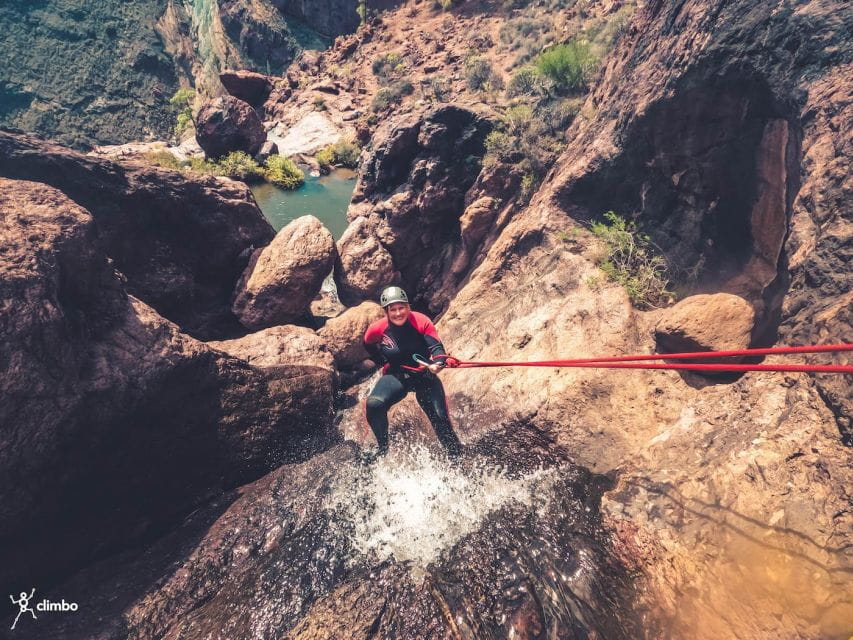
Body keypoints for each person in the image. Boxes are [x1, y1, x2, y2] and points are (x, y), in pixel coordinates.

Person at [362, 286, 462, 458]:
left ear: (408, 307)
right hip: (396, 375)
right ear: (386, 311)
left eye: (402, 308)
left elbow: (437, 348)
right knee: (374, 404)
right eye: (393, 309)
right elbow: (368, 343)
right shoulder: (378, 329)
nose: (398, 313)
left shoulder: (421, 321)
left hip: (424, 376)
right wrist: (383, 361)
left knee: (440, 419)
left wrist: (438, 363)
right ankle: (382, 449)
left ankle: (456, 457)